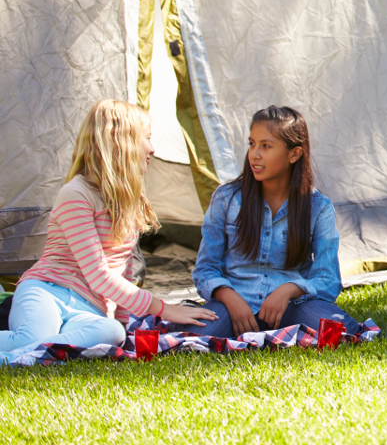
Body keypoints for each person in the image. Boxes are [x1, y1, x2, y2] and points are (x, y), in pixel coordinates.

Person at [1, 100, 216, 364]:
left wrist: (123, 325)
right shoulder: (76, 194)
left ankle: (27, 355)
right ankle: (23, 354)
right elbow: (99, 275)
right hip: (47, 291)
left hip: (89, 308)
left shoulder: (128, 199)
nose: (152, 148)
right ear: (121, 143)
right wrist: (165, 309)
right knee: (30, 337)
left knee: (111, 333)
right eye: (146, 139)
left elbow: (123, 269)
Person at [186, 106, 365, 339]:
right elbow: (205, 268)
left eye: (266, 146)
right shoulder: (225, 199)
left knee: (342, 332)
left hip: (292, 307)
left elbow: (328, 279)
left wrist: (289, 290)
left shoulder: (318, 207)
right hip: (233, 307)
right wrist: (229, 297)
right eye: (252, 144)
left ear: (294, 154)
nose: (255, 154)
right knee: (192, 337)